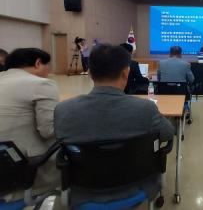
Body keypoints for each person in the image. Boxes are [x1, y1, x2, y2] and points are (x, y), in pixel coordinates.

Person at [55, 44, 174, 205]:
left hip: (83, 188)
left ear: (89, 73)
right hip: (136, 182)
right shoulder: (145, 108)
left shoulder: (64, 110)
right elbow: (168, 133)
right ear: (126, 73)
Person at [0, 48, 59, 199]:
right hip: (21, 167)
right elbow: (48, 130)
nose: (48, 72)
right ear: (38, 63)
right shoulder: (42, 84)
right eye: (48, 67)